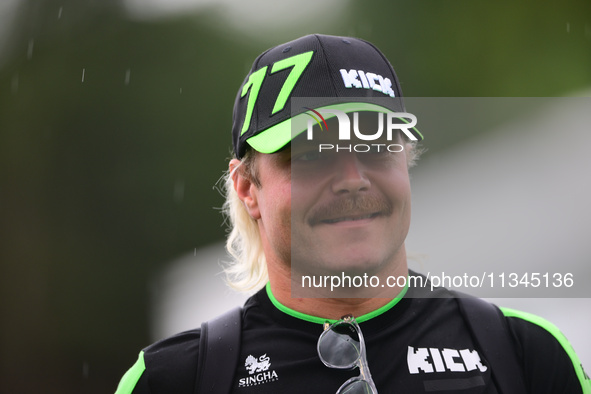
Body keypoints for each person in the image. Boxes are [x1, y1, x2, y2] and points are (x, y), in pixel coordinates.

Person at [115, 34, 590, 393]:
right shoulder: (172, 379)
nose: (352, 178)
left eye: (377, 145)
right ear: (247, 188)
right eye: (311, 154)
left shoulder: (529, 357)